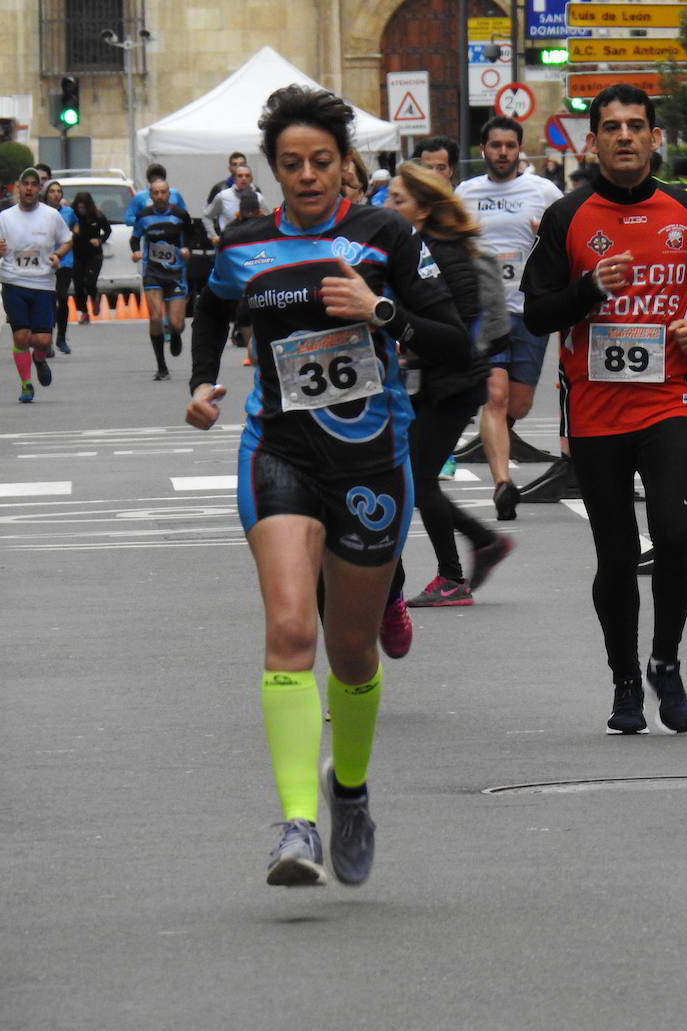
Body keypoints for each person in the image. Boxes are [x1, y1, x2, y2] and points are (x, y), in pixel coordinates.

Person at [184, 84, 468, 887]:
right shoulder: (242, 243)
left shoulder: (386, 235)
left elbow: (454, 343)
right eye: (290, 164)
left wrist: (380, 311)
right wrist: (205, 381)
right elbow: (211, 309)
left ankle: (349, 789)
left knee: (350, 650)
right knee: (289, 628)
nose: (307, 177)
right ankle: (296, 823)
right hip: (278, 450)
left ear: (347, 163)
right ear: (272, 170)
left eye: (320, 162)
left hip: (373, 458)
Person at [521, 84, 687, 735]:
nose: (625, 136)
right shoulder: (568, 216)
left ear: (655, 138)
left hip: (668, 403)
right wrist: (590, 288)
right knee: (616, 556)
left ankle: (665, 660)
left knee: (677, 536)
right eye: (612, 127)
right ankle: (624, 678)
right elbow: (536, 312)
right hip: (594, 414)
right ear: (592, 141)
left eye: (637, 126)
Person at [384, 161, 515, 607]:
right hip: (432, 381)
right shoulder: (419, 245)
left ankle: (462, 565)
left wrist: (406, 335)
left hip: (453, 384)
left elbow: (457, 332)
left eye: (397, 198)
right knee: (413, 478)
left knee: (418, 480)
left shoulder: (445, 253)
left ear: (422, 207)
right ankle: (466, 559)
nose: (387, 205)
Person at [456, 116, 564, 519]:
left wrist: (546, 239)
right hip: (485, 312)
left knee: (517, 402)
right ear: (482, 149)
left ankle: (499, 439)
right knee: (495, 398)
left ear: (520, 150)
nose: (503, 152)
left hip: (529, 309)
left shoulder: (543, 191)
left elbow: (568, 242)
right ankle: (503, 483)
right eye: (495, 145)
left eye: (510, 146)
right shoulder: (466, 193)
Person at [0, 167, 72, 402]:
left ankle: (39, 358)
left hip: (43, 284)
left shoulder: (51, 216)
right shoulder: (6, 217)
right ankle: (26, 385)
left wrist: (58, 255)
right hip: (14, 281)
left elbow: (67, 240)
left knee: (42, 341)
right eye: (24, 184)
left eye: (33, 184)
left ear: (39, 189)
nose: (28, 188)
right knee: (21, 337)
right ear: (18, 187)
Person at [130, 180, 192, 381]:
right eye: (155, 193)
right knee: (155, 317)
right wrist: (136, 251)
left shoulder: (180, 215)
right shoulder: (144, 216)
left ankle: (175, 334)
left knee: (176, 323)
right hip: (153, 272)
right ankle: (162, 367)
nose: (159, 196)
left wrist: (186, 250)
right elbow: (135, 237)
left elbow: (191, 235)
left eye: (163, 192)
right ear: (151, 195)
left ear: (168, 194)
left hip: (175, 273)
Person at [42, 180, 77, 353]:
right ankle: (46, 340)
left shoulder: (68, 212)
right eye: (52, 191)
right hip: (45, 262)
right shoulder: (40, 212)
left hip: (65, 261)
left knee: (62, 298)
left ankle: (61, 338)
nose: (56, 194)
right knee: (48, 301)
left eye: (59, 191)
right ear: (46, 195)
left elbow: (75, 226)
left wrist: (75, 234)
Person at [69, 191, 111, 323]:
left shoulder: (96, 216)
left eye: (83, 208)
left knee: (90, 282)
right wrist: (72, 232)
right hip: (77, 254)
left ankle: (94, 297)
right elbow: (62, 230)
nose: (81, 210)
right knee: (78, 284)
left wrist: (100, 240)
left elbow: (108, 230)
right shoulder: (73, 216)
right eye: (79, 207)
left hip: (94, 254)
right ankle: (84, 312)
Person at [203, 164, 265, 240]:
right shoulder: (223, 196)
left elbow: (268, 220)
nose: (244, 178)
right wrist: (214, 236)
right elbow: (207, 216)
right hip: (228, 243)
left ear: (251, 179)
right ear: (234, 179)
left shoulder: (259, 198)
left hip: (251, 244)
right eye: (240, 176)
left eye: (247, 176)